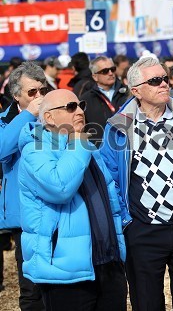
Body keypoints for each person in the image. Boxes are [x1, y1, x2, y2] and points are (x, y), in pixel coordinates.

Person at [100, 57, 173, 311]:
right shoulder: (118, 127)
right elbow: (109, 179)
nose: (164, 83)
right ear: (136, 91)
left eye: (164, 78)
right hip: (142, 231)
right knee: (147, 303)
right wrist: (126, 222)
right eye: (155, 81)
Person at [17, 89, 127, 311]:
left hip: (107, 263)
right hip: (65, 272)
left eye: (81, 106)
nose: (79, 111)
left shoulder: (86, 146)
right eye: (70, 107)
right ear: (49, 118)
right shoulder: (34, 151)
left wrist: (119, 247)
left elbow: (109, 197)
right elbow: (60, 188)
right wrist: (78, 143)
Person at [0, 61, 49, 311]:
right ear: (16, 94)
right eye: (32, 92)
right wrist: (28, 115)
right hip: (24, 214)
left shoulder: (55, 115)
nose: (39, 96)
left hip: (55, 208)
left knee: (60, 284)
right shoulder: (4, 120)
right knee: (30, 289)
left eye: (42, 90)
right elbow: (1, 150)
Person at [80, 56, 129, 146]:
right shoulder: (85, 99)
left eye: (113, 69)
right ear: (95, 76)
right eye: (105, 71)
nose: (110, 73)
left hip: (127, 149)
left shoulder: (128, 93)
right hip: (100, 152)